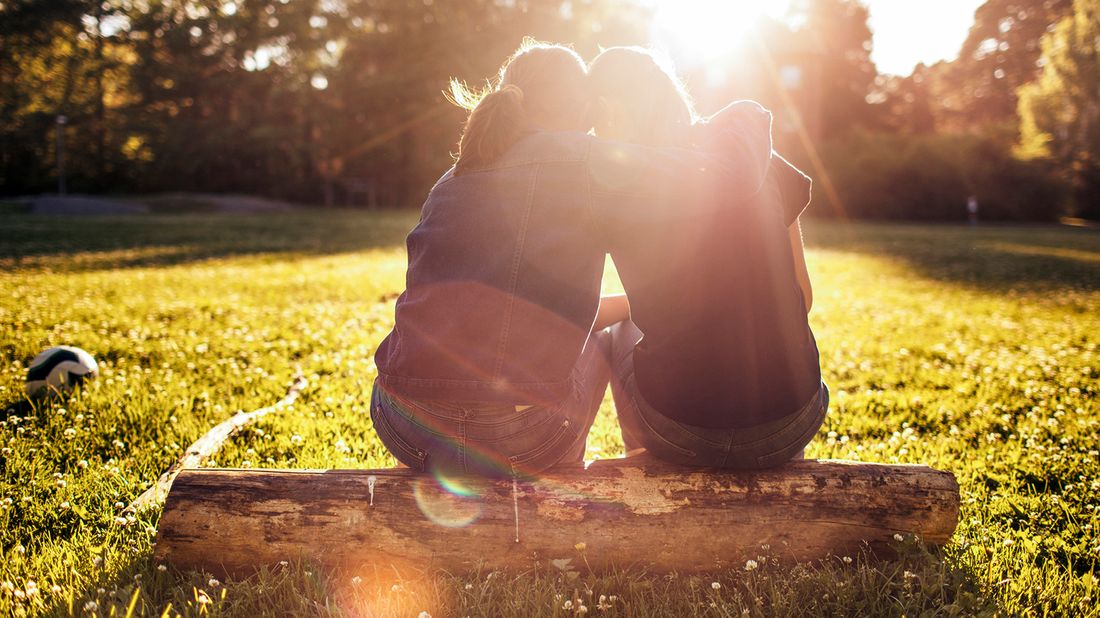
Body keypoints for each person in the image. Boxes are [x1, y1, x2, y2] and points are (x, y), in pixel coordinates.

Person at [371, 40, 775, 480]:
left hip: (404, 424)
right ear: (585, 108)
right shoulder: (589, 164)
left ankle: (436, 471)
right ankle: (569, 474)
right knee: (600, 338)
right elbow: (728, 176)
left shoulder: (455, 174)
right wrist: (748, 113)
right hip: (523, 435)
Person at [586, 46, 828, 469]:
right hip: (792, 422)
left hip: (679, 430)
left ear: (608, 112)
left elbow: (578, 312)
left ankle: (649, 470)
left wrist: (628, 307)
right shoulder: (755, 156)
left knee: (617, 333)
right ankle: (771, 464)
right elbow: (802, 297)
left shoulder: (617, 183)